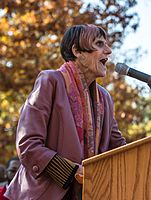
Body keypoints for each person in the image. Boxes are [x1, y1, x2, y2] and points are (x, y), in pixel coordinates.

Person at [4, 24, 126, 200]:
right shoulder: (50, 81)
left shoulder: (105, 98)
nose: (108, 51)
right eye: (99, 44)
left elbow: (121, 148)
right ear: (77, 50)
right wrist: (73, 172)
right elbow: (28, 144)